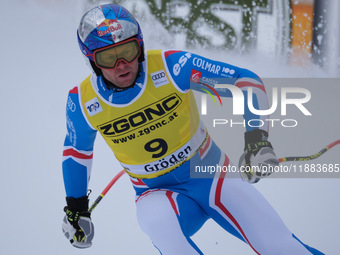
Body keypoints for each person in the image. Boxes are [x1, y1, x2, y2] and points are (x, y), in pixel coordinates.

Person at [61, 3, 324, 254]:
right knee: (164, 230)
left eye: (128, 51)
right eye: (109, 57)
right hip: (155, 194)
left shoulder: (172, 67)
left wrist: (256, 139)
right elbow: (77, 152)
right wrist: (76, 208)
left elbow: (246, 82)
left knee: (283, 248)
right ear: (93, 61)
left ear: (140, 46)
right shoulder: (83, 101)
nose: (122, 64)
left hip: (213, 176)